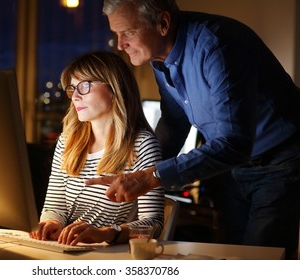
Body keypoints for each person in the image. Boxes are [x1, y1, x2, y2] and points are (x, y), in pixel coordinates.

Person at [85, 0, 300, 259]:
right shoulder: (159, 55)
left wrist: (151, 177)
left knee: (263, 262)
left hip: (281, 160)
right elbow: (174, 122)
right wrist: (135, 171)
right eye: (116, 34)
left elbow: (234, 142)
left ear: (163, 23)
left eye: (128, 32)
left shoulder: (217, 46)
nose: (120, 44)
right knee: (232, 259)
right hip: (235, 168)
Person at [30, 51, 164, 246]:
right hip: (69, 251)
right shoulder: (68, 141)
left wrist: (107, 233)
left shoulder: (142, 144)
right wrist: (52, 222)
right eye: (72, 89)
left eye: (84, 86)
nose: (74, 97)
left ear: (114, 88)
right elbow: (55, 207)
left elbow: (153, 224)